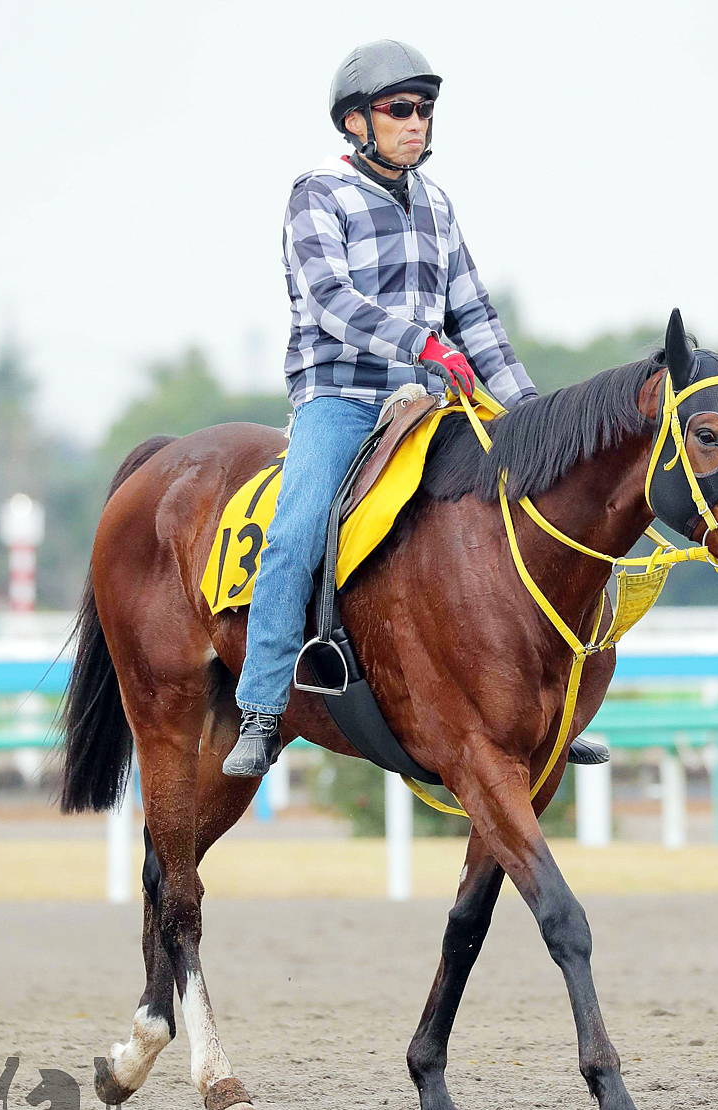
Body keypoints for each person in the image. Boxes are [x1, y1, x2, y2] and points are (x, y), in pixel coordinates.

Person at [224, 40, 601, 777]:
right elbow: (332, 302)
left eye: (425, 110)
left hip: (429, 401)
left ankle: (554, 714)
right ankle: (262, 709)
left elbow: (476, 315)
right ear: (356, 121)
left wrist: (530, 420)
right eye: (401, 109)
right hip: (340, 399)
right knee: (295, 536)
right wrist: (425, 345)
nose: (417, 122)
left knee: (534, 515)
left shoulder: (436, 202)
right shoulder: (316, 194)